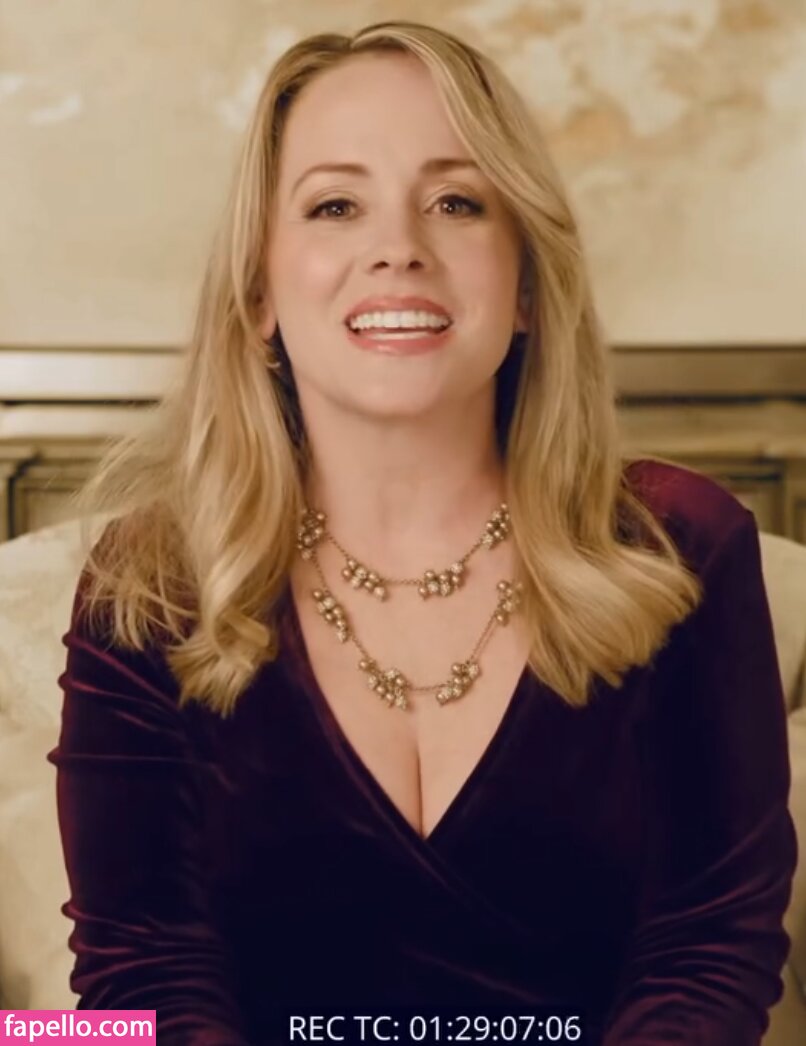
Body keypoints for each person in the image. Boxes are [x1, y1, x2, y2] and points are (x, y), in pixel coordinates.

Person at [47, 20, 797, 1046]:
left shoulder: (684, 546)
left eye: (455, 201)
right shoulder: (149, 582)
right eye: (335, 205)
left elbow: (709, 951)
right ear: (259, 291)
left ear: (525, 285)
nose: (397, 246)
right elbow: (141, 976)